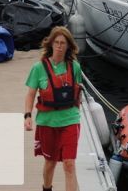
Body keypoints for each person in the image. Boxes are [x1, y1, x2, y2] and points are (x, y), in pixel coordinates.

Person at [24, 26, 83, 191]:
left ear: (68, 46)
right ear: (51, 44)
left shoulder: (75, 68)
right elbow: (30, 94)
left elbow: (77, 91)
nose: (59, 46)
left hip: (70, 120)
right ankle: (47, 188)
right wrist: (27, 116)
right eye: (56, 42)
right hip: (47, 122)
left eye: (63, 43)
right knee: (50, 163)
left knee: (69, 164)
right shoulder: (38, 68)